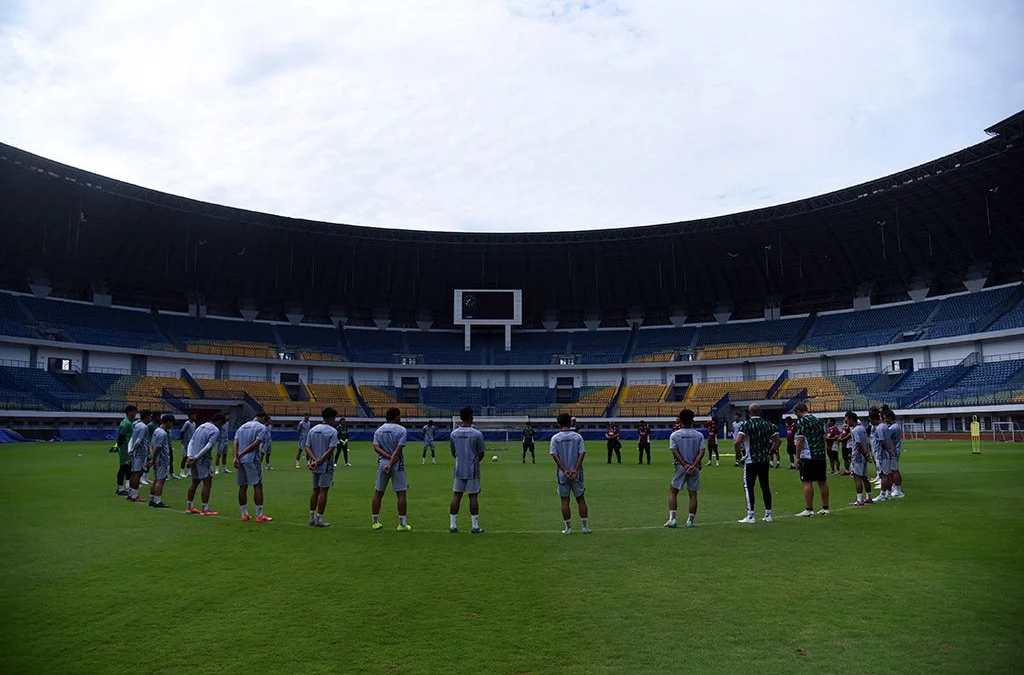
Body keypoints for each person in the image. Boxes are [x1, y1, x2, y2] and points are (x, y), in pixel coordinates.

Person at [735, 403, 780, 523]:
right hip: (764, 460)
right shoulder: (768, 424)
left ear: (749, 413)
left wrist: (739, 455)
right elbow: (777, 441)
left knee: (749, 487)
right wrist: (770, 453)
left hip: (751, 460)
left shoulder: (746, 424)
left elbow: (737, 442)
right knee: (765, 486)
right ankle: (768, 514)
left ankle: (750, 515)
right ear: (760, 413)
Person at [371, 407, 411, 531]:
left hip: (382, 462)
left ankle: (375, 521)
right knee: (401, 493)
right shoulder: (402, 430)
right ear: (396, 416)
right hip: (397, 464)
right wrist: (392, 460)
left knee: (378, 492)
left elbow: (376, 447)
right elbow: (398, 449)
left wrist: (387, 459)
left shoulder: (379, 430)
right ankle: (402, 523)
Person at [550, 412, 589, 534]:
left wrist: (565, 470)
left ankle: (568, 528)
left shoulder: (555, 438)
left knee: (565, 500)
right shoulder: (577, 437)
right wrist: (575, 470)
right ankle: (584, 527)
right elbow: (582, 453)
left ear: (558, 423)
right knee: (581, 499)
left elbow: (554, 455)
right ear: (570, 422)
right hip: (576, 473)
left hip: (563, 474)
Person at [449, 406, 486, 533]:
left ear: (460, 417)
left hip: (459, 468)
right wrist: (474, 461)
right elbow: (481, 453)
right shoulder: (477, 434)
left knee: (456, 495)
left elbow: (453, 452)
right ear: (472, 417)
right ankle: (474, 526)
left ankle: (453, 525)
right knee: (473, 496)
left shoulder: (454, 434)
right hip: (472, 469)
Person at [665, 409, 704, 528]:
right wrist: (693, 464)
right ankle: (690, 521)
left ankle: (672, 519)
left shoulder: (675, 435)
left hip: (681, 467)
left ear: (680, 420)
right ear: (692, 420)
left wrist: (684, 464)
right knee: (693, 494)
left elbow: (674, 452)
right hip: (695, 467)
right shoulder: (699, 435)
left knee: (673, 491)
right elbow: (701, 451)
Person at [184, 412, 226, 516]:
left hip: (193, 455)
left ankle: (189, 507)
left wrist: (190, 455)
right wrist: (197, 457)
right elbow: (209, 446)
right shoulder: (215, 430)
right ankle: (205, 508)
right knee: (207, 482)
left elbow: (191, 441)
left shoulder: (201, 426)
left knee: (195, 482)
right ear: (219, 421)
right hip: (202, 459)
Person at [235, 412, 273, 523]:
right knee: (258, 486)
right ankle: (259, 514)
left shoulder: (242, 426)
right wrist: (242, 453)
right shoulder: (261, 427)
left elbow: (235, 442)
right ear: (262, 418)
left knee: (242, 486)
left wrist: (236, 456)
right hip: (252, 459)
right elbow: (256, 443)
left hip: (241, 460)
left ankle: (244, 514)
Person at [794, 403, 830, 517]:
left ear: (799, 411)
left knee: (807, 481)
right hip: (820, 455)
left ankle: (809, 509)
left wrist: (797, 456)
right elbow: (823, 437)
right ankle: (825, 508)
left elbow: (800, 440)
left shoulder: (802, 421)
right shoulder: (817, 420)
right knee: (822, 481)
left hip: (809, 455)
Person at [305, 407, 340, 528]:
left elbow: (307, 447)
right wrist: (320, 461)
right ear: (331, 418)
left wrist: (314, 460)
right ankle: (319, 518)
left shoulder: (313, 429)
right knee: (323, 491)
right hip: (325, 465)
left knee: (315, 490)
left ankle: (311, 516)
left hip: (314, 464)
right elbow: (331, 449)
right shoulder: (332, 431)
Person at [845, 411, 873, 507]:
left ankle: (859, 499)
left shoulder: (855, 430)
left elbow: (858, 443)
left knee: (857, 477)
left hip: (858, 456)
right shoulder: (862, 428)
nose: (846, 421)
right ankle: (869, 497)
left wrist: (864, 454)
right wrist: (867, 454)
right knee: (865, 477)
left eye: (847, 419)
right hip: (863, 456)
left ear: (851, 419)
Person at [147, 413, 175, 508]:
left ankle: (152, 499)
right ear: (167, 422)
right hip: (161, 459)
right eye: (171, 423)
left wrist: (152, 458)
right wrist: (154, 459)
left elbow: (152, 446)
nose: (171, 426)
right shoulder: (163, 433)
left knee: (156, 479)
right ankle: (158, 501)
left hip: (157, 458)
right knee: (160, 480)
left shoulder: (157, 431)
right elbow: (158, 447)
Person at [126, 409, 152, 503]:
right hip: (140, 454)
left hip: (135, 453)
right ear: (146, 416)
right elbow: (138, 440)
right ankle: (135, 496)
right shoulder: (144, 427)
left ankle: (131, 494)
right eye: (150, 416)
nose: (151, 418)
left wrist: (130, 450)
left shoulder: (136, 425)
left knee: (134, 473)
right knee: (138, 474)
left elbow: (132, 439)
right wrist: (133, 449)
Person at [869, 406, 894, 501]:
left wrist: (888, 451)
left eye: (871, 420)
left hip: (882, 455)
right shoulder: (885, 426)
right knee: (888, 474)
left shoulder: (879, 428)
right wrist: (891, 451)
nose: (871, 422)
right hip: (886, 454)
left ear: (875, 419)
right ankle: (888, 493)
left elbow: (882, 442)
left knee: (883, 475)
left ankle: (882, 494)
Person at [112, 404, 137, 496]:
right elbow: (121, 436)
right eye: (134, 411)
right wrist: (117, 447)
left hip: (128, 448)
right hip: (124, 449)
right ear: (129, 412)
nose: (135, 413)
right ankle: (119, 488)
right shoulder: (126, 423)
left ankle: (126, 486)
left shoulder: (130, 422)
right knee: (123, 468)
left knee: (128, 468)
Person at [884, 406, 906, 498]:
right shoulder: (894, 426)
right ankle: (895, 488)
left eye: (885, 418)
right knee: (893, 470)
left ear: (890, 418)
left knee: (895, 470)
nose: (884, 420)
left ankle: (898, 490)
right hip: (894, 450)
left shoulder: (893, 428)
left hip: (894, 451)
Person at [178, 412, 196, 479]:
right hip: (186, 443)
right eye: (193, 415)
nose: (195, 416)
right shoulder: (187, 423)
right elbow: (182, 431)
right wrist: (182, 439)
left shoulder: (194, 424)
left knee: (190, 457)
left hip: (191, 443)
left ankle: (189, 472)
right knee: (185, 457)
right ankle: (181, 472)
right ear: (190, 415)